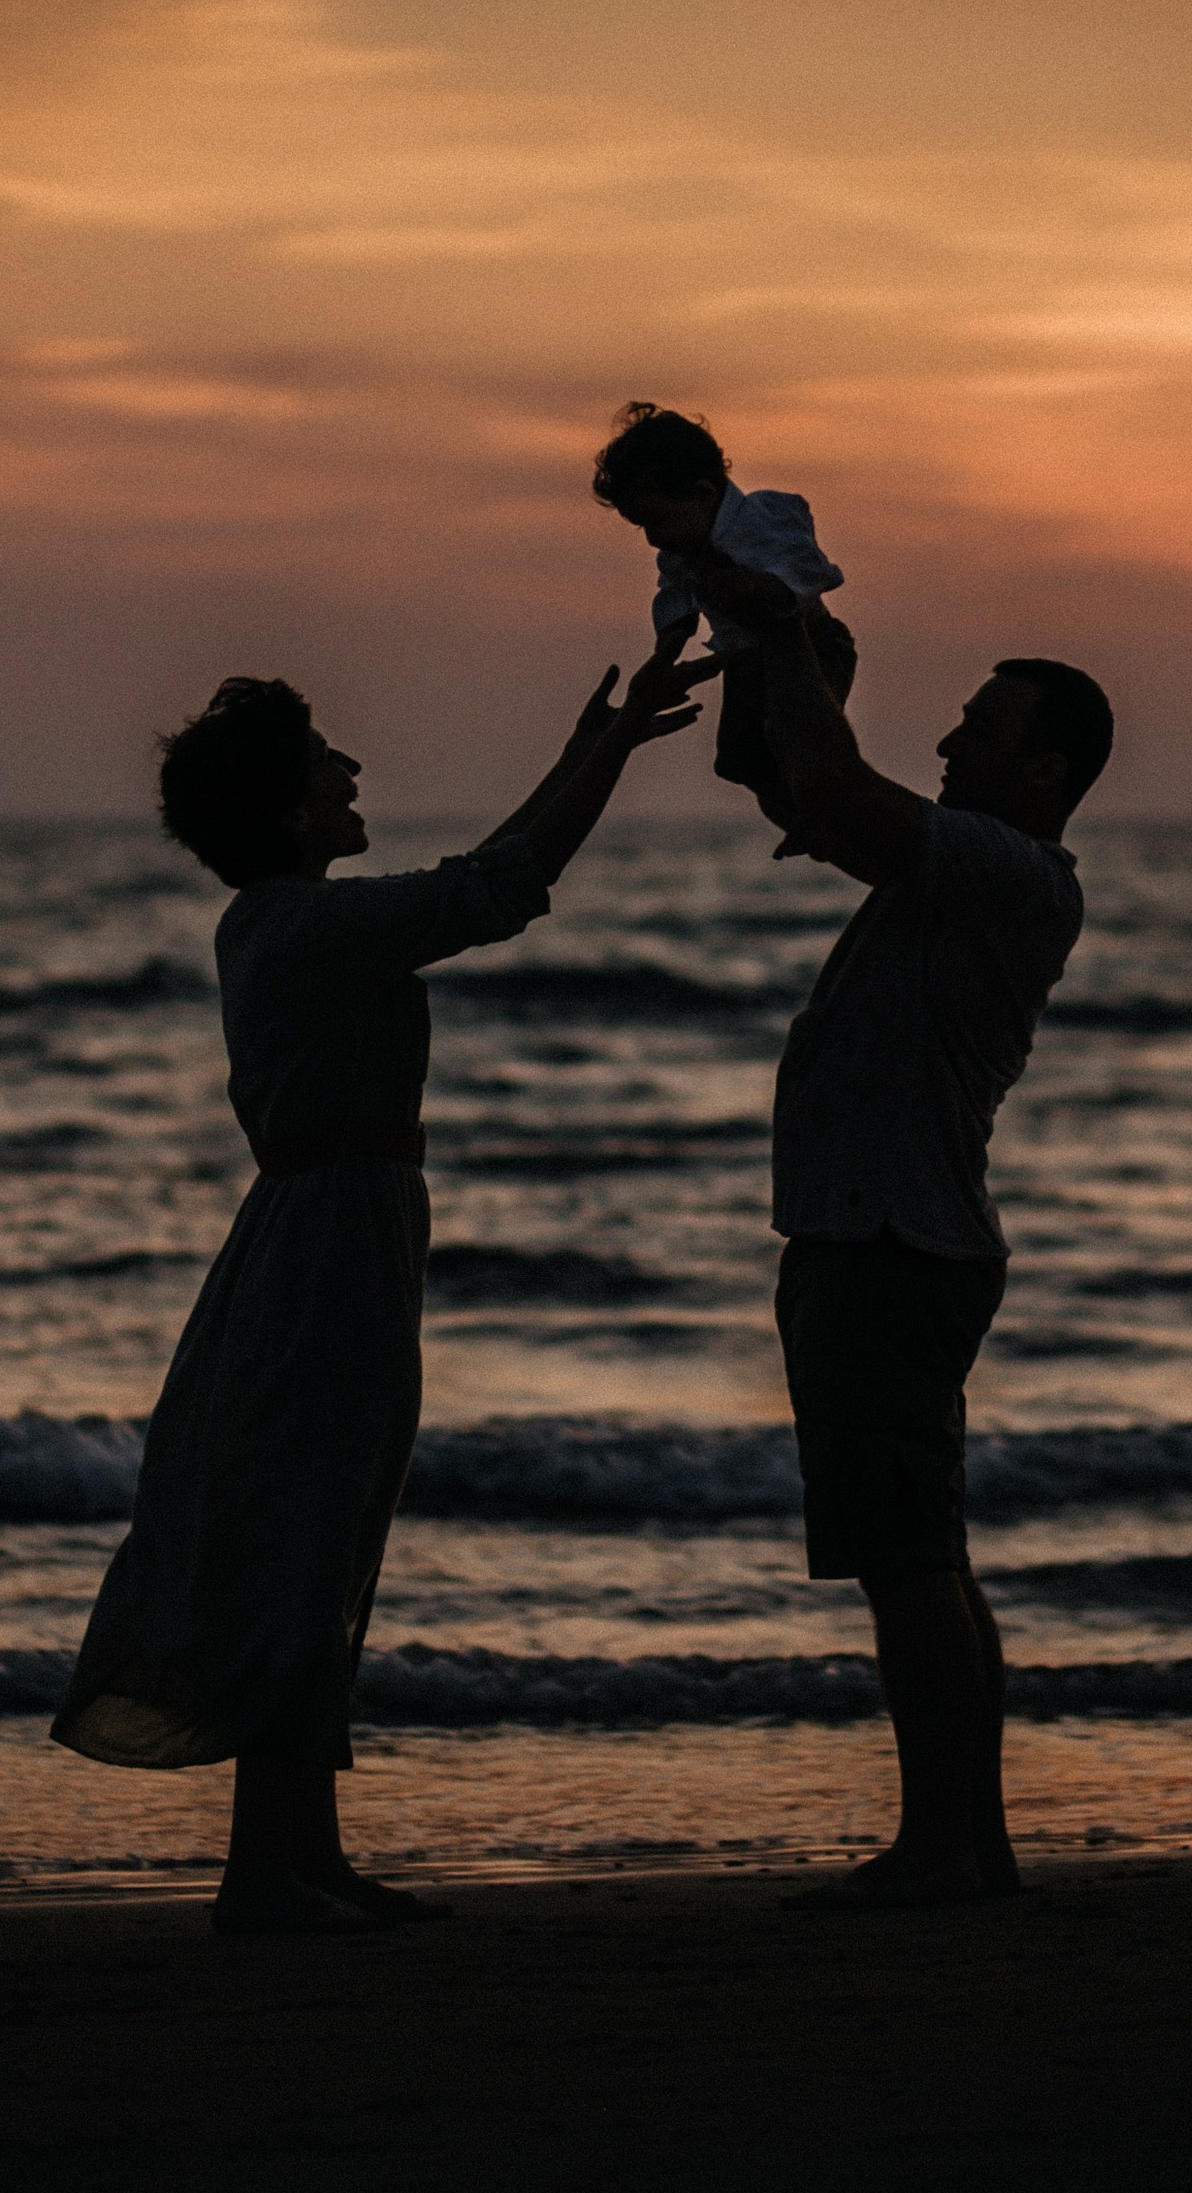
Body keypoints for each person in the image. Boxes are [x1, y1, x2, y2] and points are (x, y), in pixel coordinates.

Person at [52, 645, 707, 1933]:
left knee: (324, 1531)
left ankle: (300, 1858)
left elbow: (479, 887)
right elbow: (497, 889)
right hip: (325, 1243)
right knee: (305, 1531)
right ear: (288, 809)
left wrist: (596, 752)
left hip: (337, 1233)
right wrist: (604, 754)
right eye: (324, 765)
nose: (352, 771)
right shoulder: (293, 925)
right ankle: (268, 1872)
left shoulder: (288, 924)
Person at [706, 548, 1113, 1907]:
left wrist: (781, 629)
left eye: (983, 727)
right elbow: (786, 784)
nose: (950, 737)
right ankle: (963, 1843)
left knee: (911, 1561)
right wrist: (782, 659)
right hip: (881, 1237)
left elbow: (829, 788)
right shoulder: (961, 874)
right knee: (918, 1556)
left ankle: (951, 1846)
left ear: (1046, 771)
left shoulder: (1006, 871)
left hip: (891, 1244)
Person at [592, 401, 854, 809]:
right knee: (739, 760)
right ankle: (798, 818)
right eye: (642, 527)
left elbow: (808, 568)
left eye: (657, 521)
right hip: (747, 660)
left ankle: (825, 814)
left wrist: (763, 587)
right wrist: (670, 643)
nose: (652, 539)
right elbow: (675, 596)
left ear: (701, 494)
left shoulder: (760, 520)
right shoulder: (682, 554)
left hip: (815, 649)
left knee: (799, 744)